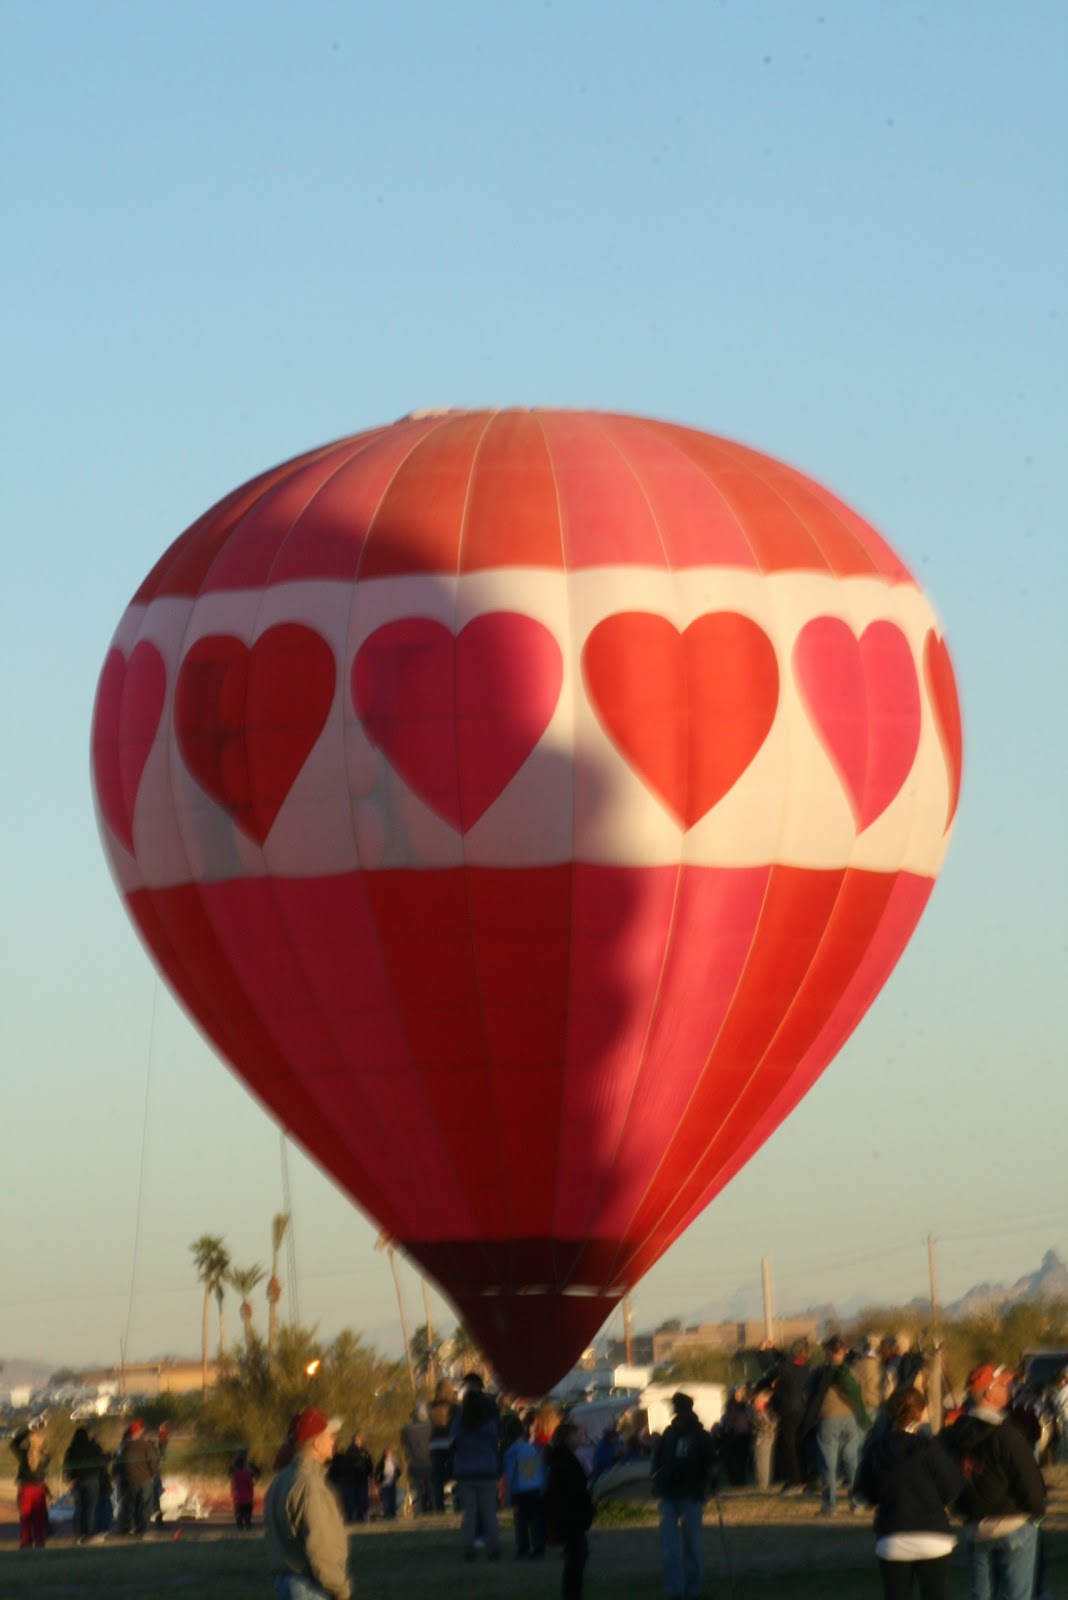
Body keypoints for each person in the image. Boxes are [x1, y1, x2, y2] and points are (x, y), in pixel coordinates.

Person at [941, 1363, 1046, 1600]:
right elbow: (1029, 1479)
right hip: (1014, 1523)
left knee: (982, 1595)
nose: (1010, 1389)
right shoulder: (1006, 1434)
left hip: (976, 1526)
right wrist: (1036, 1516)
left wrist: (961, 1511)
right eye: (1004, 1385)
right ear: (989, 1392)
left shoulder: (952, 1435)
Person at [854, 1384, 964, 1599]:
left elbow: (866, 1492)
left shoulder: (877, 1449)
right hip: (933, 1536)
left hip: (893, 1534)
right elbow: (951, 1488)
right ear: (921, 1412)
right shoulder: (929, 1448)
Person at [264, 1406, 350, 1600]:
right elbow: (320, 1545)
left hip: (285, 1582)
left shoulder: (279, 1481)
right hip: (311, 1586)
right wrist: (340, 1589)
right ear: (317, 1444)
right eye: (330, 1436)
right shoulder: (311, 1486)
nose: (335, 1440)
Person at [651, 1391, 714, 1600]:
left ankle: (692, 1591)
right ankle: (675, 1592)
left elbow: (711, 1463)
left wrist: (709, 1482)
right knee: (670, 1547)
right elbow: (658, 1460)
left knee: (691, 1545)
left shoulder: (700, 1436)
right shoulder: (669, 1434)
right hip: (668, 1493)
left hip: (690, 1494)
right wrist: (656, 1479)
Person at [803, 1335, 871, 1515]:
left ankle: (830, 1504)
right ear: (843, 1352)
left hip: (828, 1419)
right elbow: (861, 1394)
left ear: (828, 1352)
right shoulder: (851, 1373)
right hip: (850, 1419)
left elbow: (807, 1394)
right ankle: (857, 1503)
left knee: (828, 1464)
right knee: (852, 1462)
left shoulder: (820, 1373)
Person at [449, 1372, 501, 1560]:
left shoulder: (459, 1422)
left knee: (469, 1514)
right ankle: (494, 1547)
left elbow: (453, 1443)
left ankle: (469, 1548)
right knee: (489, 1513)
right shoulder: (489, 1424)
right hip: (487, 1469)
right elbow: (495, 1440)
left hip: (465, 1471)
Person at [545, 1420, 594, 1600]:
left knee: (576, 1559)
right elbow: (571, 1490)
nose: (580, 1438)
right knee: (575, 1560)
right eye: (576, 1435)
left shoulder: (562, 1459)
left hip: (570, 1515)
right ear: (567, 1438)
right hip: (571, 1516)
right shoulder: (565, 1462)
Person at [502, 1410, 547, 1558]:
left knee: (521, 1522)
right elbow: (538, 1469)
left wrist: (507, 1497)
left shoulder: (511, 1452)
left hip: (520, 1491)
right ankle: (539, 1546)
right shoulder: (531, 1448)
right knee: (536, 1521)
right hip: (534, 1488)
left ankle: (523, 1547)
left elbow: (509, 1475)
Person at [10, 1424, 51, 1548]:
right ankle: (40, 1542)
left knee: (26, 1518)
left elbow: (13, 1444)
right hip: (39, 1489)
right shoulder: (46, 1458)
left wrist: (27, 1430)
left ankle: (26, 1543)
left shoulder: (23, 1456)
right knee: (39, 1519)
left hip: (25, 1489)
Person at [116, 1419, 159, 1536]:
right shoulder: (146, 1446)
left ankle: (129, 1528)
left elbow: (119, 1465)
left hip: (129, 1481)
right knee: (144, 1506)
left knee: (130, 1506)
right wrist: (152, 1475)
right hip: (144, 1480)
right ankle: (143, 1529)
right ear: (139, 1432)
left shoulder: (125, 1447)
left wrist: (120, 1477)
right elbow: (153, 1463)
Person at [63, 1426, 104, 1544]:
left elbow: (67, 1466)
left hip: (76, 1481)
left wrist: (69, 1479)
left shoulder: (71, 1450)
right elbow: (100, 1463)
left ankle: (79, 1534)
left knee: (79, 1508)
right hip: (92, 1479)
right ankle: (89, 1533)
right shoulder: (92, 1448)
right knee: (90, 1509)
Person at [328, 1432, 373, 1524]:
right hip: (354, 1479)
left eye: (359, 1439)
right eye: (357, 1439)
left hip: (362, 1478)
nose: (358, 1441)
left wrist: (369, 1473)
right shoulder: (351, 1451)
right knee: (353, 1499)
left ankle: (359, 1516)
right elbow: (351, 1464)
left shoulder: (364, 1451)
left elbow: (369, 1463)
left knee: (361, 1499)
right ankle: (352, 1517)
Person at [427, 1378, 458, 1512]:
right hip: (450, 1442)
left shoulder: (430, 1406)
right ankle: (458, 1503)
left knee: (437, 1478)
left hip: (435, 1443)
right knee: (455, 1474)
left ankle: (439, 1507)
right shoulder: (455, 1407)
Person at [400, 1402, 433, 1514]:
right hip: (430, 1464)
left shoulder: (407, 1429)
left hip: (415, 1464)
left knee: (418, 1491)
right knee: (431, 1490)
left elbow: (404, 1445)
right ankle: (433, 1510)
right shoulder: (432, 1428)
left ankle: (420, 1511)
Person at [230, 1446, 261, 1530]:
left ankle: (240, 1524)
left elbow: (232, 1483)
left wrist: (233, 1493)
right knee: (247, 1512)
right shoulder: (248, 1470)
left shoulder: (235, 1472)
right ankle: (247, 1524)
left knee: (239, 1512)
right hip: (247, 1497)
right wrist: (254, 1483)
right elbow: (255, 1475)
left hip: (238, 1497)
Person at [374, 1445, 402, 1519]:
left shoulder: (394, 1463)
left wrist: (396, 1478)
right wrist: (378, 1483)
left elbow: (398, 1472)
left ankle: (392, 1514)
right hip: (384, 1484)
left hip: (392, 1484)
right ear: (385, 1454)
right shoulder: (381, 1463)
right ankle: (387, 1515)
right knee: (385, 1501)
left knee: (392, 1499)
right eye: (388, 1453)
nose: (389, 1454)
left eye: (390, 1453)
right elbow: (377, 1473)